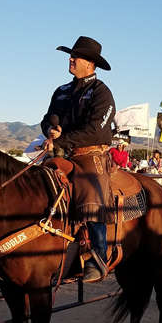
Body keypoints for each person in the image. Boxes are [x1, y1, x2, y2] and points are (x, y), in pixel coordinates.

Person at [40, 36, 116, 283]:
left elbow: (95, 130)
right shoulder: (61, 91)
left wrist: (62, 140)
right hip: (61, 150)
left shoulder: (101, 92)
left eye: (77, 56)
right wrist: (49, 131)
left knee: (91, 192)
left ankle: (97, 257)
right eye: (71, 56)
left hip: (90, 153)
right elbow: (47, 118)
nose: (71, 59)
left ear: (90, 64)